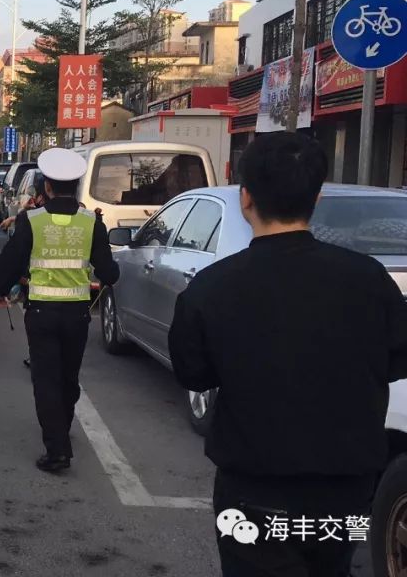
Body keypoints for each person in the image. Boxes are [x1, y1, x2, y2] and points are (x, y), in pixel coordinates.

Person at [168, 132, 407, 577]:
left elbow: (193, 373)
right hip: (348, 490)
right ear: (315, 199)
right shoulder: (370, 280)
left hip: (252, 491)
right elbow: (397, 360)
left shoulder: (211, 288)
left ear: (245, 199)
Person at [0, 148, 119, 472]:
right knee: (68, 378)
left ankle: (57, 449)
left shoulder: (30, 219)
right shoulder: (92, 223)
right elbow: (109, 273)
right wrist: (105, 274)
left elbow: (11, 260)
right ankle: (61, 428)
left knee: (46, 379)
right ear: (76, 187)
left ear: (46, 186)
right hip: (78, 315)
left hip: (41, 314)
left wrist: (3, 290)